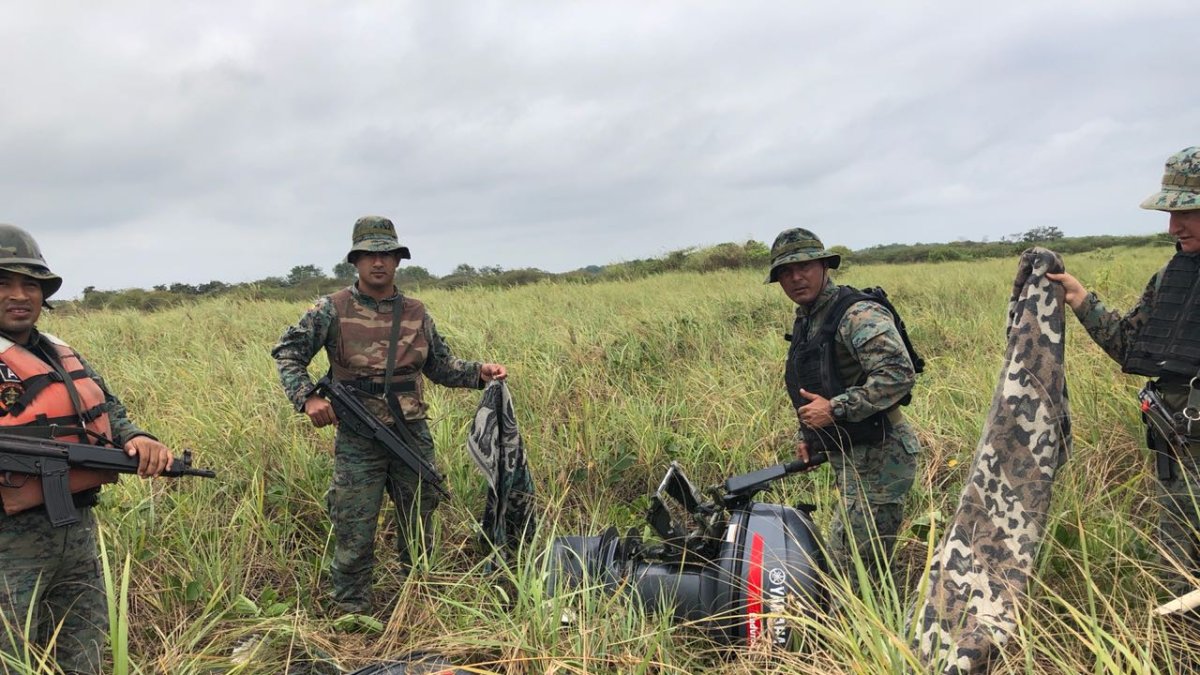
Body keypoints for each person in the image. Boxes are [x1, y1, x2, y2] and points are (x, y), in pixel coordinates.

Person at [271, 215, 507, 615]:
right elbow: (287, 353)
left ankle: (419, 600)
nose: (377, 262)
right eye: (368, 255)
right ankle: (352, 612)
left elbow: (441, 366)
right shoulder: (330, 309)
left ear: (398, 260)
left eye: (386, 254)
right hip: (359, 436)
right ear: (356, 261)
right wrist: (308, 398)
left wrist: (480, 373)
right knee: (354, 526)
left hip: (410, 432)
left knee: (418, 520)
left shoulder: (416, 312)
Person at [0, 224, 174, 674]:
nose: (19, 295)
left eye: (30, 284)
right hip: (6, 543)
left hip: (74, 529)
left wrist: (135, 437)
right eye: (3, 282)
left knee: (84, 653)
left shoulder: (55, 351)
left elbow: (104, 407)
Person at [1049, 147, 1200, 602]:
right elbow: (1131, 346)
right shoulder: (1172, 275)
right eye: (1171, 212)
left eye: (1187, 211)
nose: (1173, 227)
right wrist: (1079, 297)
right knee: (1177, 569)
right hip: (1177, 447)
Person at [767, 227, 920, 581]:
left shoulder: (857, 314)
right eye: (785, 273)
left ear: (824, 266)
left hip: (882, 456)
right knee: (865, 563)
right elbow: (816, 383)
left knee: (853, 565)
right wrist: (808, 434)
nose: (795, 277)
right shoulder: (808, 317)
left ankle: (877, 631)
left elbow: (898, 374)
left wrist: (834, 409)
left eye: (803, 266)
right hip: (852, 455)